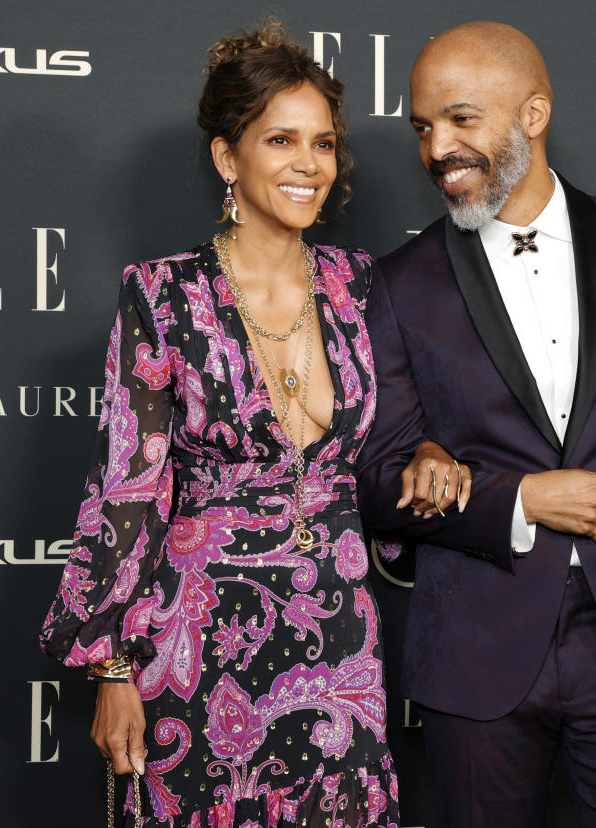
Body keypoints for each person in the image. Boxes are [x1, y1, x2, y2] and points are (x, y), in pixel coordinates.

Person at [40, 21, 457, 827]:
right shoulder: (162, 294)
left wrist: (432, 450)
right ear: (229, 158)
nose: (309, 163)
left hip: (339, 637)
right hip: (197, 643)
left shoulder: (360, 285)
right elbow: (128, 488)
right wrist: (112, 669)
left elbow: (402, 428)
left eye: (324, 143)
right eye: (281, 140)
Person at [358, 21, 596, 828]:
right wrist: (524, 501)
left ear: (533, 114)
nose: (438, 148)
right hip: (478, 651)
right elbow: (379, 487)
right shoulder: (400, 284)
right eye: (423, 127)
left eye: (462, 119)